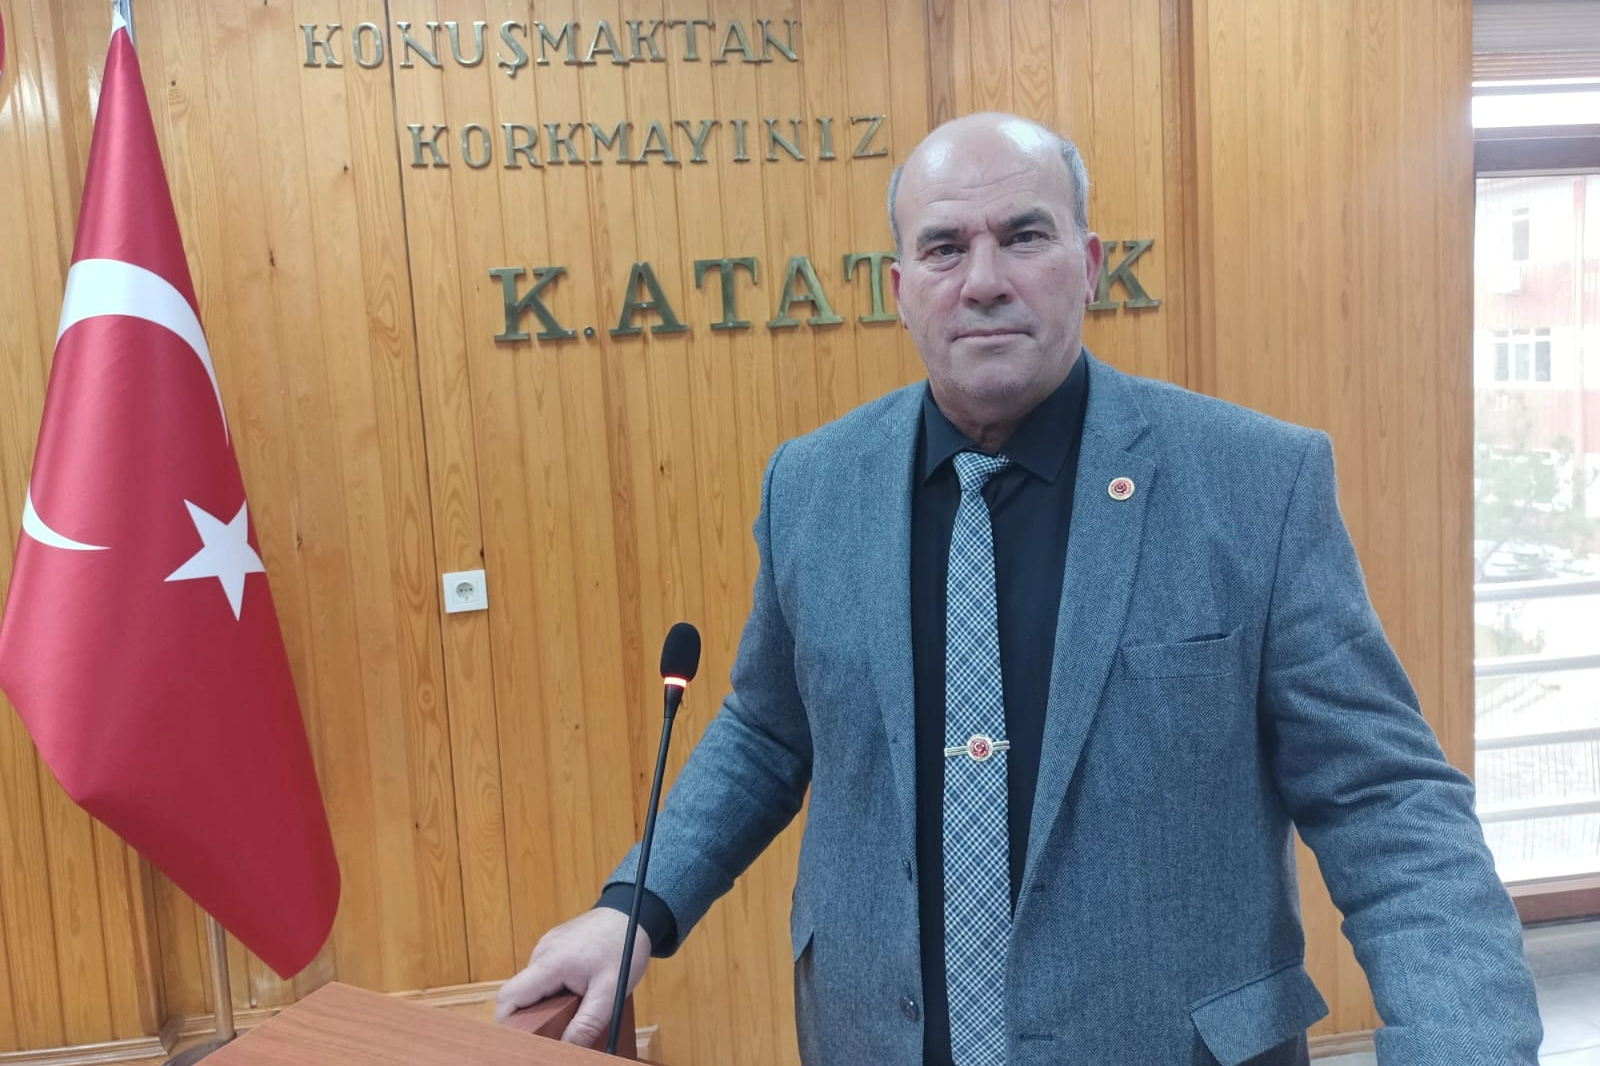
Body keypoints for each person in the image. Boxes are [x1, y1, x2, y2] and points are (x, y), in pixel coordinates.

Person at [495, 112, 1542, 1065]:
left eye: (1024, 236)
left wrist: (1464, 1045)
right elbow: (768, 732)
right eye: (944, 247)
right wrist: (635, 904)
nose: (983, 279)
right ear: (899, 287)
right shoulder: (813, 484)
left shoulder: (1254, 483)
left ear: (1087, 265)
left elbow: (1384, 801)